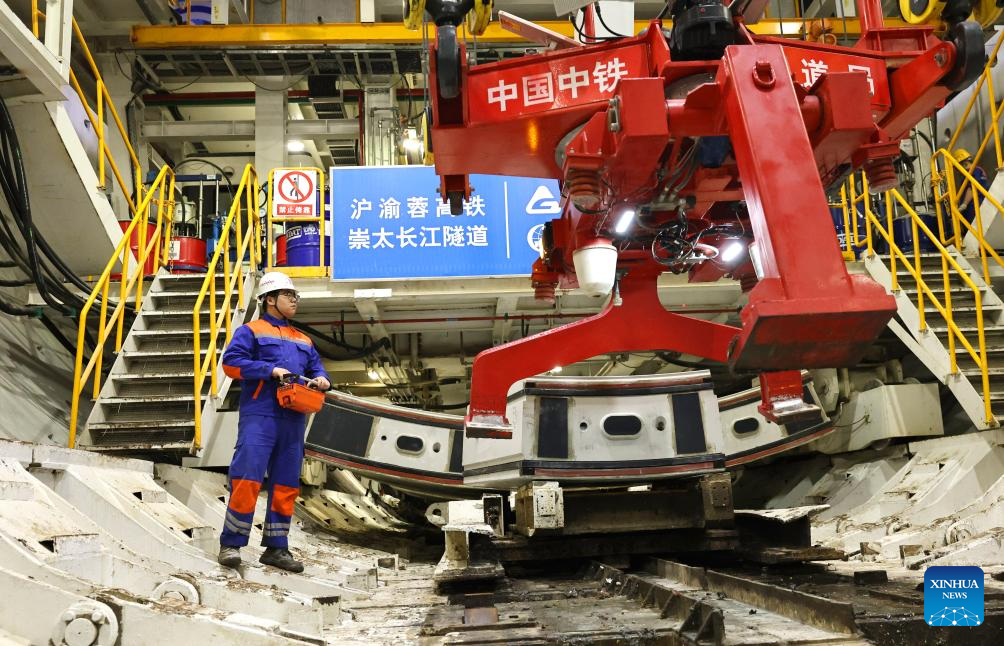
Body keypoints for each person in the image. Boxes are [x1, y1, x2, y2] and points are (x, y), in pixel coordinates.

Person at [217, 271, 330, 572]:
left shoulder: (303, 339)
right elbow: (231, 363)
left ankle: (276, 549)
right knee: (247, 478)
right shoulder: (251, 331)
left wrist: (322, 378)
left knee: (286, 485)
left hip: (294, 419)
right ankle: (231, 543)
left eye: (295, 296)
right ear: (270, 299)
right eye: (288, 295)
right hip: (260, 415)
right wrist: (271, 370)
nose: (294, 300)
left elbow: (318, 367)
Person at [953, 148, 991, 226]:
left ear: (963, 164)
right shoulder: (978, 170)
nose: (958, 171)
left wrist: (964, 204)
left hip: (975, 209)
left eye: (957, 168)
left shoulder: (972, 172)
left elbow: (971, 188)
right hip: (982, 207)